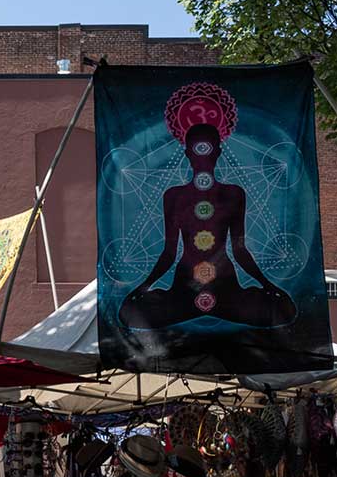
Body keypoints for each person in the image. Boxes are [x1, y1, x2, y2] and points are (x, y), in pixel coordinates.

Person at [121, 80, 297, 331]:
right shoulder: (174, 196)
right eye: (197, 149)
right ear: (187, 154)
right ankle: (192, 306)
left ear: (218, 153)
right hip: (185, 282)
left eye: (208, 149)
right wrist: (144, 286)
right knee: (130, 312)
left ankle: (208, 307)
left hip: (225, 282)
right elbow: (169, 252)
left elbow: (239, 249)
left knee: (284, 310)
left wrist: (268, 284)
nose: (202, 156)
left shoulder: (233, 194)